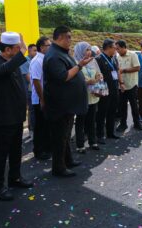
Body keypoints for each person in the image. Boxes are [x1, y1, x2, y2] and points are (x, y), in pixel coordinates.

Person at [0, 32, 33, 202]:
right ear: (7, 49)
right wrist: (22, 52)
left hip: (15, 116)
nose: (19, 51)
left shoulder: (11, 63)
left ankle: (15, 178)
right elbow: (4, 70)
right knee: (1, 154)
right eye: (16, 49)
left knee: (16, 150)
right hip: (2, 118)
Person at [43, 26, 91, 177]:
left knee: (65, 135)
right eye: (68, 37)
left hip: (67, 105)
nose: (71, 40)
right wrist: (80, 66)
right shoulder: (54, 56)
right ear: (60, 37)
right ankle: (59, 168)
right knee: (59, 137)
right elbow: (63, 76)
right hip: (59, 105)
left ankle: (68, 160)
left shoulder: (62, 53)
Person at [73, 42, 102, 153]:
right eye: (86, 50)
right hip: (81, 96)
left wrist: (99, 76)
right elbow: (75, 79)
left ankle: (92, 142)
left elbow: (98, 73)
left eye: (90, 49)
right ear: (80, 51)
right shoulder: (75, 62)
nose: (89, 52)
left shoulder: (93, 61)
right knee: (80, 121)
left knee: (91, 120)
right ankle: (80, 145)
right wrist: (89, 81)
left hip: (93, 95)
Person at [96, 39, 124, 143]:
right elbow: (97, 76)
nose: (116, 50)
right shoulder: (98, 59)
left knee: (112, 112)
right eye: (114, 48)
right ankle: (99, 135)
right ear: (108, 48)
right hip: (104, 91)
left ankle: (110, 132)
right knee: (101, 113)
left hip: (114, 89)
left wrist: (121, 84)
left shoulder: (114, 58)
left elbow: (117, 71)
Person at [30, 36, 52, 160]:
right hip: (39, 99)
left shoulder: (45, 59)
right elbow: (37, 81)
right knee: (40, 126)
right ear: (42, 47)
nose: (50, 47)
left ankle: (48, 148)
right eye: (48, 45)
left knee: (47, 124)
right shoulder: (37, 60)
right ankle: (39, 151)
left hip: (46, 97)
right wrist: (42, 99)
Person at [116, 40, 142, 132]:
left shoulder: (133, 55)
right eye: (116, 49)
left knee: (134, 105)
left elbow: (137, 68)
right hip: (121, 85)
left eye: (118, 49)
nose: (117, 51)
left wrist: (124, 70)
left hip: (132, 85)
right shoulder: (117, 57)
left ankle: (137, 123)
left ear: (124, 47)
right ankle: (123, 124)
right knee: (122, 106)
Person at [20, 44, 37, 140]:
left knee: (34, 110)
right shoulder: (26, 61)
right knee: (32, 110)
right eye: (34, 50)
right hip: (30, 90)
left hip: (34, 89)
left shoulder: (36, 60)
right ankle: (31, 130)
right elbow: (29, 78)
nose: (36, 52)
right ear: (29, 51)